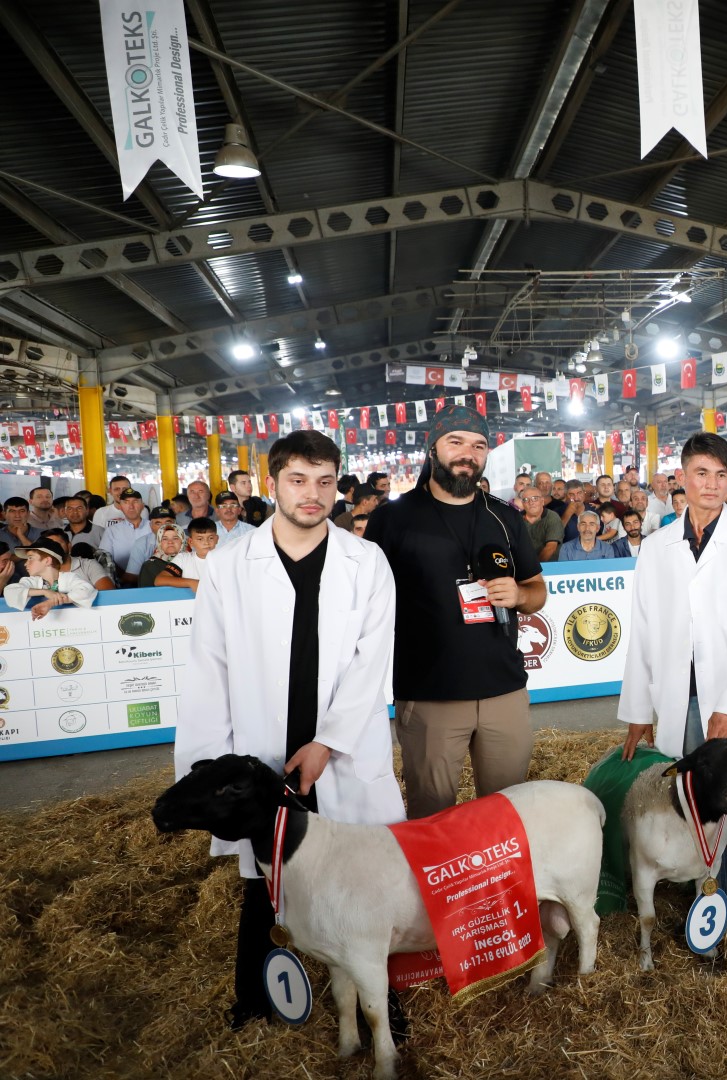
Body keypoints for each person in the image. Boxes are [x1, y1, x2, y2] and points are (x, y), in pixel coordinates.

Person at [175, 429, 403, 1032]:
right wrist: (208, 766)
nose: (313, 494)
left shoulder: (366, 561)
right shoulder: (230, 566)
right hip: (261, 748)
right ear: (271, 482)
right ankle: (255, 996)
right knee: (264, 877)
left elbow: (370, 659)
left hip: (340, 748)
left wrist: (328, 741)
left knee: (358, 873)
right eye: (298, 480)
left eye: (325, 481)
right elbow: (209, 669)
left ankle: (386, 1000)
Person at [619, 432, 727, 964]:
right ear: (682, 479)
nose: (713, 485)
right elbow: (643, 631)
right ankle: (707, 910)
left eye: (722, 476)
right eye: (702, 474)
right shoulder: (656, 549)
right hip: (684, 701)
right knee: (697, 809)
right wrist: (637, 711)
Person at [365, 405, 547, 820]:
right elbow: (367, 604)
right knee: (430, 818)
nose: (468, 452)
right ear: (433, 449)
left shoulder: (504, 517)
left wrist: (518, 595)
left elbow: (537, 592)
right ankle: (434, 889)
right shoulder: (392, 519)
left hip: (504, 691)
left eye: (479, 445)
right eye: (456, 442)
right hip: (430, 695)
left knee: (507, 814)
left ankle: (499, 888)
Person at [3, 536, 98, 617]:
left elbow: (86, 590)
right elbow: (9, 591)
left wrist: (50, 603)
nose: (25, 564)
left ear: (47, 561)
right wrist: (45, 592)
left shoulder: (69, 578)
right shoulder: (31, 581)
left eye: (30, 558)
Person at [103, 489, 152, 581]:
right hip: (122, 582)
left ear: (142, 506)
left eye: (135, 502)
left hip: (152, 580)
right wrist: (125, 576)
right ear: (121, 507)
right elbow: (105, 559)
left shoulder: (153, 528)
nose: (131, 506)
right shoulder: (111, 531)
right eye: (126, 502)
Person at [137, 523, 191, 587]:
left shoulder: (192, 560)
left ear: (182, 541)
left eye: (175, 538)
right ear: (160, 542)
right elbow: (146, 593)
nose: (170, 542)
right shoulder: (150, 565)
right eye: (165, 539)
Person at [519, 488, 563, 561]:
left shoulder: (552, 517)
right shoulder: (516, 519)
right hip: (522, 567)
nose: (531, 502)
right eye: (526, 500)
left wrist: (535, 569)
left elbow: (551, 547)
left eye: (535, 498)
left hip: (548, 567)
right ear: (523, 504)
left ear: (542, 501)